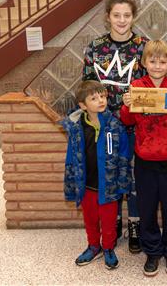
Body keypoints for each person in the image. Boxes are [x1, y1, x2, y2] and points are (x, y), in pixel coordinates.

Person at [120, 40, 167, 277]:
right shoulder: (138, 87)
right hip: (145, 159)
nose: (157, 66)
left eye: (162, 61)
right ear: (144, 62)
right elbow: (127, 121)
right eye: (152, 61)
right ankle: (152, 251)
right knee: (147, 207)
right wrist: (126, 106)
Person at [82, 0, 148, 253]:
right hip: (105, 127)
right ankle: (114, 222)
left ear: (133, 17)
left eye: (127, 15)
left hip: (135, 126)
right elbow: (86, 87)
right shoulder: (95, 48)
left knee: (132, 176)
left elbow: (151, 88)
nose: (122, 20)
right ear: (108, 18)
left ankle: (134, 224)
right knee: (109, 176)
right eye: (116, 15)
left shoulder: (143, 46)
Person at [60, 80, 130, 270]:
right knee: (90, 219)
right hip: (86, 185)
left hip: (108, 185)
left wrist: (123, 181)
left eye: (102, 96)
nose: (100, 100)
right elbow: (71, 156)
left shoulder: (115, 125)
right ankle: (93, 246)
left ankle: (108, 248)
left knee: (108, 222)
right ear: (83, 105)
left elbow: (124, 154)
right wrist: (71, 182)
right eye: (94, 98)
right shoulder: (76, 127)